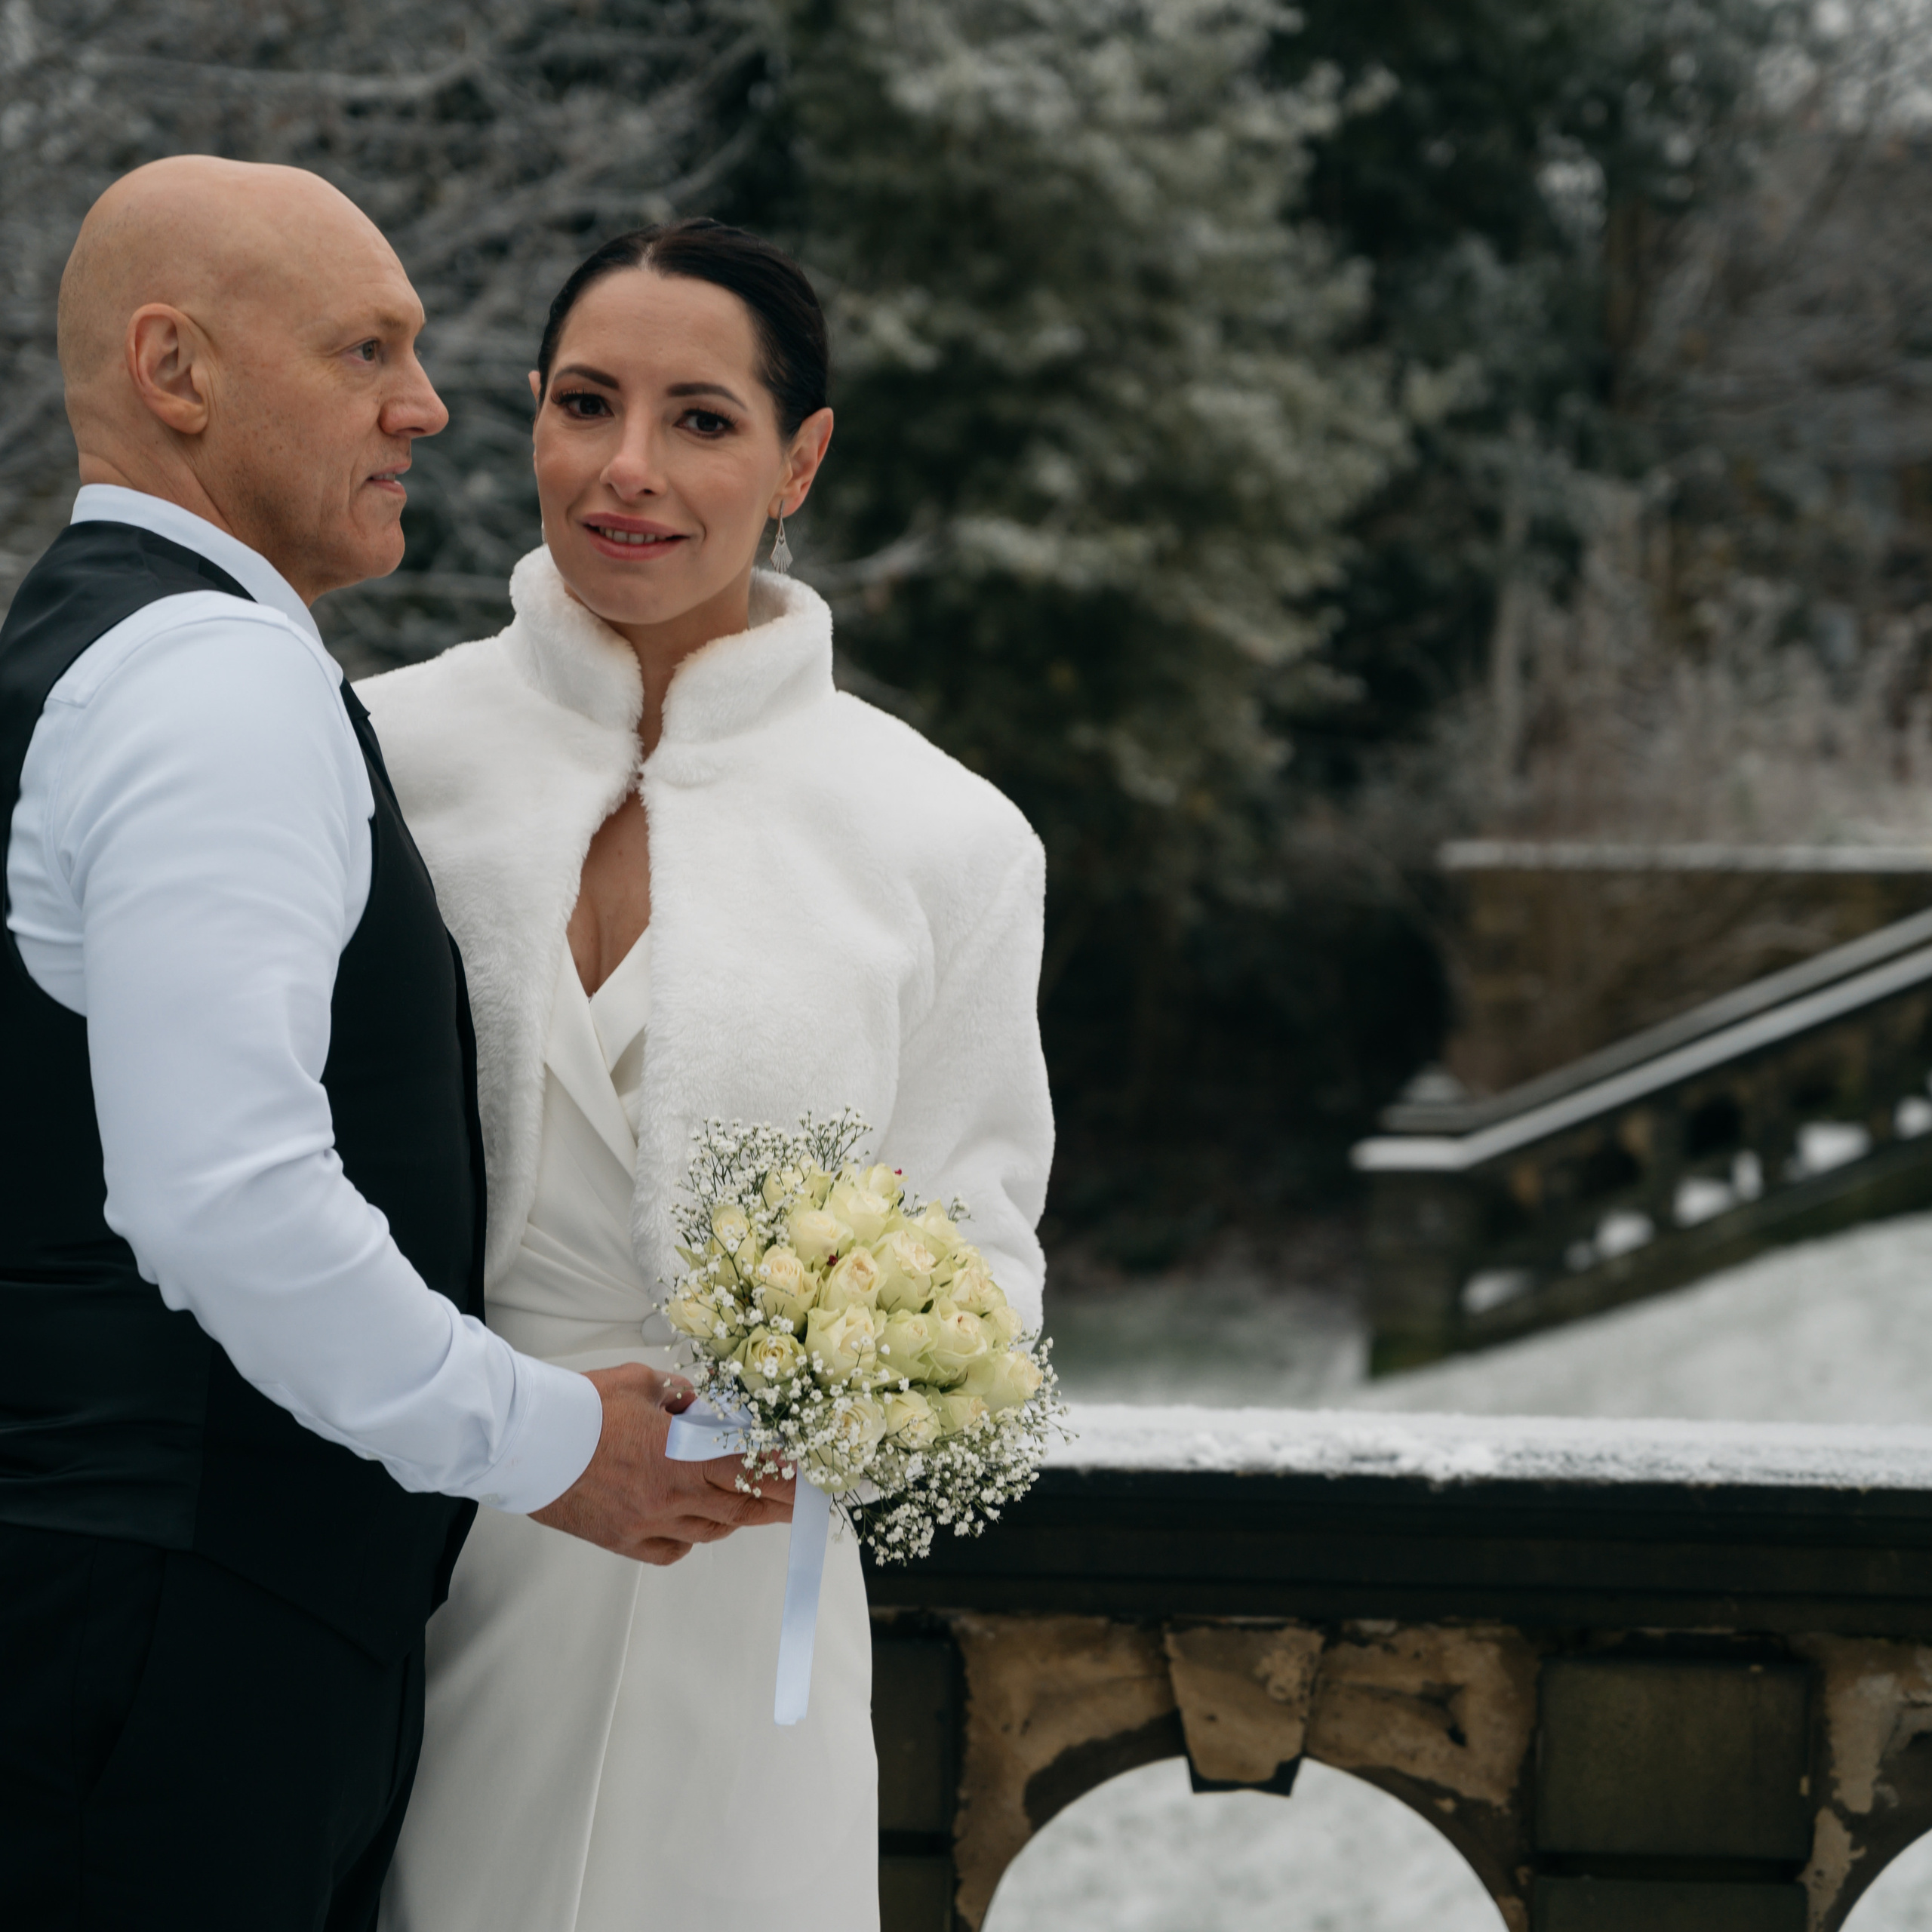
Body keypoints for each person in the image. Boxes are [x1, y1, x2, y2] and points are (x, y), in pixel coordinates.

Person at [0, 162, 786, 1932]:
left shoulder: (90, 657)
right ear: (174, 369)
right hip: (175, 1655)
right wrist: (544, 1439)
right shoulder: (213, 685)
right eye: (367, 349)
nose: (426, 406)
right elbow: (226, 1201)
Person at [360, 219, 1054, 1932]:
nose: (626, 471)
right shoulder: (374, 752)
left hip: (737, 1591)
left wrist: (844, 1383)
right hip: (404, 1548)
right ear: (522, 412)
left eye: (701, 419)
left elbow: (989, 1265)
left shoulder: (942, 837)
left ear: (800, 457)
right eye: (585, 403)